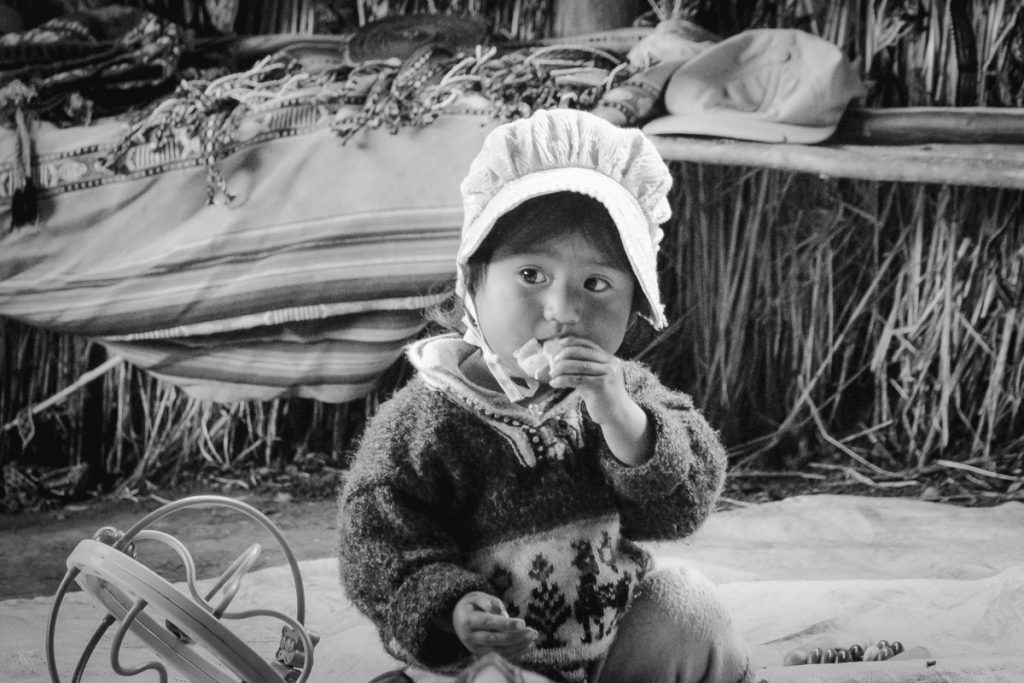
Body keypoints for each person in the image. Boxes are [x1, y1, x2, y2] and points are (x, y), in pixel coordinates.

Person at [337, 108, 753, 683]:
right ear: (473, 283)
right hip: (491, 665)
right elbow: (380, 548)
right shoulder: (423, 423)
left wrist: (624, 422)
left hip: (612, 658)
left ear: (633, 306)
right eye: (531, 275)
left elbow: (682, 507)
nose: (563, 311)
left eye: (597, 283)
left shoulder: (622, 392)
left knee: (691, 606)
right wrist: (453, 608)